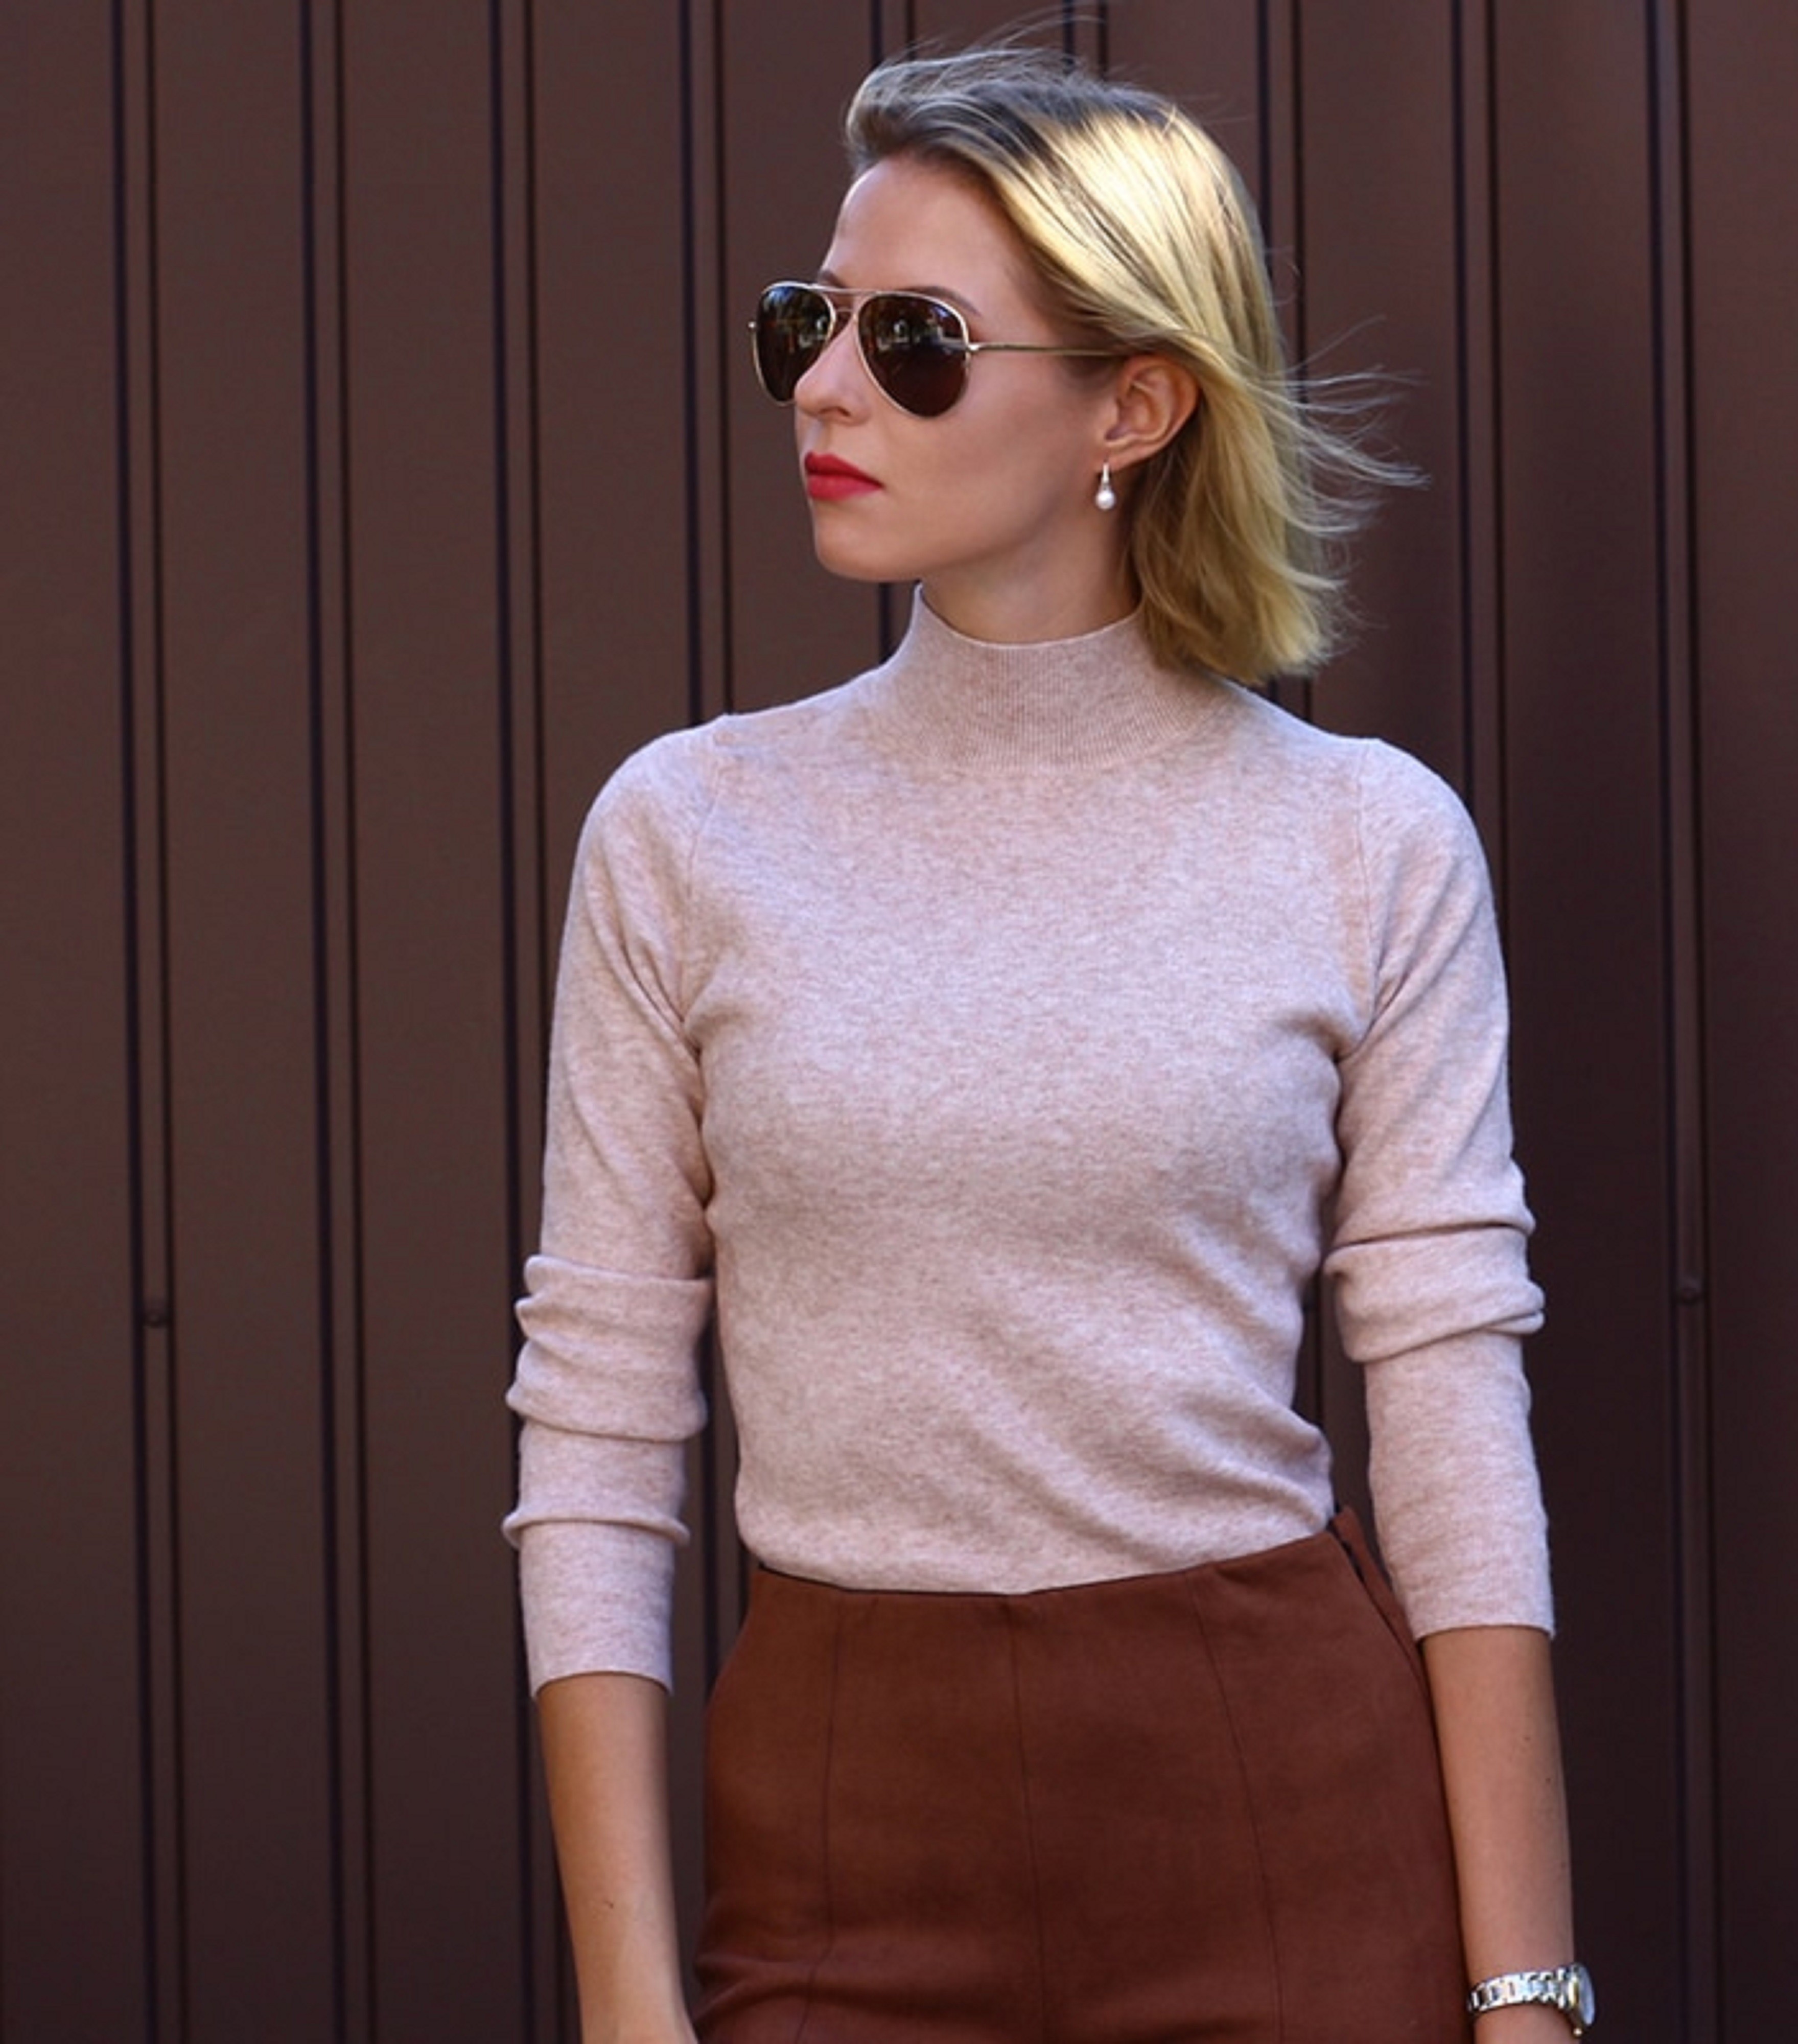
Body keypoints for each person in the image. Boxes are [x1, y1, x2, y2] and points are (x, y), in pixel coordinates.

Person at [505, 43, 1589, 2044]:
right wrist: (630, 2015)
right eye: (810, 323)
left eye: (913, 341)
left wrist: (1526, 2000)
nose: (827, 387)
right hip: (842, 1845)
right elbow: (595, 1434)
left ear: (1134, 406)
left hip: (1276, 1815)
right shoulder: (689, 832)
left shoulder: (1365, 843)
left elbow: (1451, 1427)